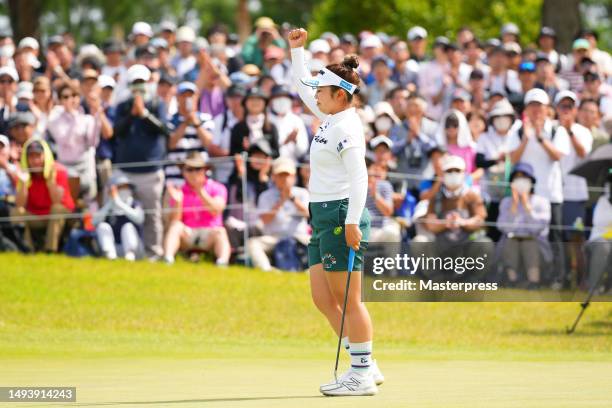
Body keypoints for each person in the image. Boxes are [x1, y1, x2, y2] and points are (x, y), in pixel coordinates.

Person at [289, 27, 382, 396]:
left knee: (348, 300)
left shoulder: (346, 128)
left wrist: (351, 222)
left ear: (340, 96)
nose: (316, 98)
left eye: (322, 93)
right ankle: (366, 364)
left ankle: (360, 373)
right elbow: (301, 87)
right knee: (323, 298)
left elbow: (360, 178)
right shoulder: (331, 117)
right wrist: (298, 52)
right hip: (323, 216)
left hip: (343, 214)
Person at [507, 88, 570, 288]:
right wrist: (526, 138)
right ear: (526, 108)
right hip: (526, 194)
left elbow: (558, 156)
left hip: (552, 194)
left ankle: (559, 277)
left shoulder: (556, 130)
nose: (536, 110)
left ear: (547, 109)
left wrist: (541, 137)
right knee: (527, 237)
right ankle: (531, 277)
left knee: (555, 237)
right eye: (532, 105)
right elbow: (513, 158)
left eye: (540, 106)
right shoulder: (517, 130)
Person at [113, 64, 169, 259]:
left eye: (141, 83)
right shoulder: (122, 106)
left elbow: (164, 129)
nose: (138, 87)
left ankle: (153, 253)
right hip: (125, 169)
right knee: (122, 211)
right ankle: (124, 250)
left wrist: (144, 114)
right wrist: (132, 114)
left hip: (151, 170)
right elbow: (116, 132)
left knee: (152, 214)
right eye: (134, 83)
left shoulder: (157, 104)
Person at [163, 153, 230, 266]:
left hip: (210, 233)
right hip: (188, 234)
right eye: (189, 169)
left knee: (221, 232)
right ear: (183, 172)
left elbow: (216, 210)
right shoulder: (179, 191)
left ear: (205, 170)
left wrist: (200, 191)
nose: (194, 173)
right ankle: (168, 259)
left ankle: (222, 263)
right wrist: (178, 202)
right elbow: (174, 221)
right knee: (175, 227)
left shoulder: (218, 188)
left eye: (198, 168)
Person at [11, 139, 75, 252]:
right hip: (36, 216)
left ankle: (50, 250)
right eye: (31, 156)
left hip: (57, 215)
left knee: (57, 208)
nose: (35, 160)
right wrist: (24, 183)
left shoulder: (58, 170)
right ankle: (27, 250)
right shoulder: (23, 172)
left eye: (38, 156)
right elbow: (20, 204)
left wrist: (51, 182)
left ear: (45, 156)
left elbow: (57, 201)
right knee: (16, 212)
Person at [248, 157, 310, 271]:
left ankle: (311, 271)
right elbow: (265, 220)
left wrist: (292, 198)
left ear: (294, 176)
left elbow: (310, 215)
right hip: (274, 238)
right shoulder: (265, 196)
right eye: (281, 175)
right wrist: (281, 201)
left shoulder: (302, 193)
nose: (285, 178)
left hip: (300, 237)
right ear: (273, 177)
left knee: (323, 242)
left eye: (288, 175)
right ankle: (268, 271)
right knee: (252, 244)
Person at [496, 163, 551, 288]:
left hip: (537, 248)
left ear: (531, 181)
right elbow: (504, 228)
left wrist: (527, 207)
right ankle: (512, 280)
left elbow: (537, 229)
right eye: (517, 178)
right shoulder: (506, 203)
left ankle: (534, 281)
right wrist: (514, 208)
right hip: (510, 246)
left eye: (524, 178)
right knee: (511, 239)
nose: (520, 182)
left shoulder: (542, 202)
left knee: (528, 241)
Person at [476, 99, 517, 240]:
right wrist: (496, 160)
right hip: (491, 193)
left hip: (513, 194)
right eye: (498, 117)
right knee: (492, 230)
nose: (501, 120)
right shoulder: (484, 137)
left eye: (505, 117)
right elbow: (479, 162)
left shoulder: (516, 136)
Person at [93, 174, 144, 261]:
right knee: (102, 226)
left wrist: (118, 202)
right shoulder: (108, 207)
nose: (124, 190)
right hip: (116, 248)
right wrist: (111, 203)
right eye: (121, 187)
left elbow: (139, 219)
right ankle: (110, 256)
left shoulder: (135, 204)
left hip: (135, 250)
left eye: (126, 187)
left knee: (128, 227)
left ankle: (129, 257)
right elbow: (94, 222)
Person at [584, 171, 612, 293]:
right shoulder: (603, 200)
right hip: (599, 239)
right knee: (603, 247)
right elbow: (599, 222)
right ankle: (594, 287)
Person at [268, 84, 309, 161]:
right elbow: (263, 148)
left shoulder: (296, 120)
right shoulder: (266, 119)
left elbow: (302, 152)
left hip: (291, 166)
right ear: (271, 100)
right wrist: (284, 142)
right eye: (278, 97)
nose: (282, 100)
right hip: (269, 165)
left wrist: (295, 141)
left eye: (285, 97)